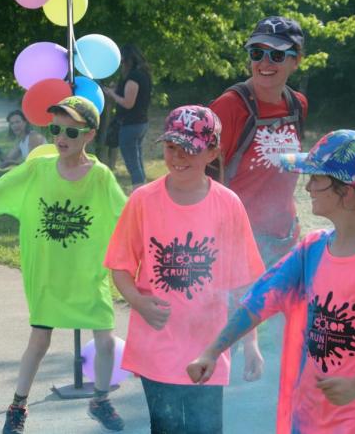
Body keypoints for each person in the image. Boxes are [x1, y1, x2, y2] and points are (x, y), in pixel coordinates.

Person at [187, 130, 355, 434]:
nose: (307, 186)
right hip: (310, 414)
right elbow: (261, 298)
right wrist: (212, 351)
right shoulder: (312, 249)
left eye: (316, 178)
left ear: (346, 192)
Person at [0, 96, 127, 433]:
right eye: (55, 129)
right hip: (48, 276)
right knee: (39, 342)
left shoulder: (100, 176)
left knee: (106, 341)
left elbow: (127, 216)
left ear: (89, 135)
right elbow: (1, 186)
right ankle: (17, 406)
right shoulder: (39, 168)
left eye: (71, 131)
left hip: (88, 274)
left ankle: (100, 399)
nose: (61, 138)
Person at [104, 105, 265, 434]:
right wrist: (137, 300)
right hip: (157, 346)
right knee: (166, 428)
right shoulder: (143, 200)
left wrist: (251, 344)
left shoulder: (228, 204)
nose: (178, 157)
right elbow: (119, 266)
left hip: (208, 346)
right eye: (171, 147)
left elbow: (243, 284)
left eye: (190, 148)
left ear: (212, 151)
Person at [209, 16, 308, 268]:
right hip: (237, 242)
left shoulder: (297, 105)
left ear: (296, 60)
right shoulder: (229, 107)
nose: (264, 63)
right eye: (256, 53)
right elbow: (204, 177)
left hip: (285, 239)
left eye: (276, 55)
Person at [102, 44, 152, 190]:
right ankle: (144, 193)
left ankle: (139, 195)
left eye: (122, 61)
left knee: (132, 164)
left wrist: (112, 94)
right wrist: (117, 89)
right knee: (138, 162)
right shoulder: (144, 75)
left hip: (130, 125)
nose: (121, 64)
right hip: (141, 123)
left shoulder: (133, 78)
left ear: (127, 60)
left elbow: (128, 103)